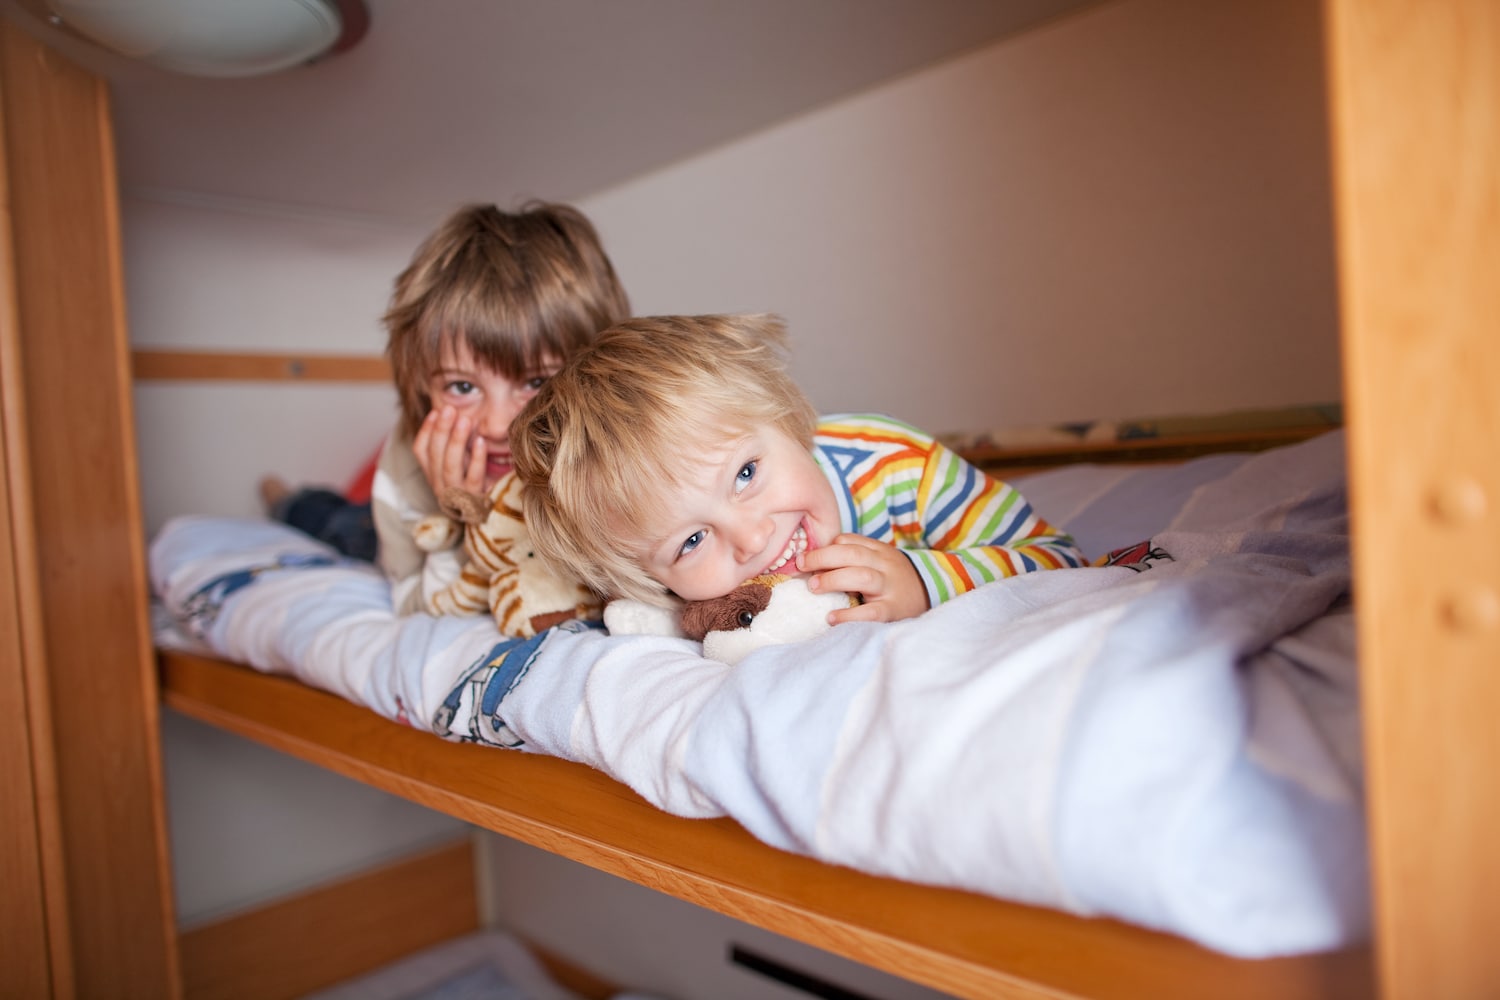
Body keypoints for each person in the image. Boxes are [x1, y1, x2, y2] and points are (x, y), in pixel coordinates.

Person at [510, 314, 1087, 625]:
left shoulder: (896, 467)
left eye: (745, 475)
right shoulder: (660, 588)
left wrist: (922, 582)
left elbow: (1063, 562)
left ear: (786, 419)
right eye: (690, 541)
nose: (753, 538)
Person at [261, 201, 630, 615]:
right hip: (390, 526)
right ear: (422, 389)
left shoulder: (624, 444)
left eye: (537, 382)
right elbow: (417, 608)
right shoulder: (408, 469)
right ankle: (284, 497)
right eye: (462, 386)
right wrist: (454, 522)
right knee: (339, 525)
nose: (497, 425)